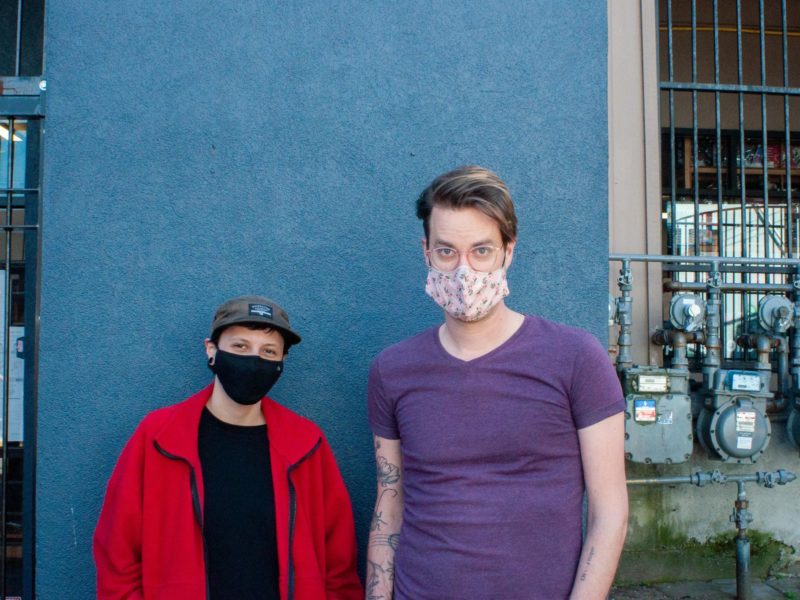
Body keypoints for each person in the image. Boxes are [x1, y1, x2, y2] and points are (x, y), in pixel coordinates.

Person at [366, 166, 628, 600]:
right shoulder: (392, 370)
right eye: (447, 251)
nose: (464, 271)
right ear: (426, 251)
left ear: (509, 251)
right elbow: (389, 505)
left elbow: (610, 512)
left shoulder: (577, 358)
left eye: (481, 251)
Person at [94, 295, 363, 600]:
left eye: (269, 351)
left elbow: (339, 566)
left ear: (282, 363)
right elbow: (117, 553)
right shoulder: (158, 437)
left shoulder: (307, 445)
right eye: (240, 346)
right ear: (211, 350)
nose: (254, 360)